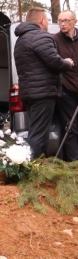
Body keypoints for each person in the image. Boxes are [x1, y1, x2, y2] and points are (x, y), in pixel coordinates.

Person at [15, 7, 73, 159]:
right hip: (42, 92)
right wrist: (67, 63)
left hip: (30, 93)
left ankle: (41, 166)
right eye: (47, 19)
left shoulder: (21, 40)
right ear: (41, 20)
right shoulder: (40, 36)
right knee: (38, 134)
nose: (48, 23)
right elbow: (54, 61)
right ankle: (30, 168)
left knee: (39, 131)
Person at [54, 10, 78, 161]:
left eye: (66, 20)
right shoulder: (54, 40)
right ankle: (73, 167)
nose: (63, 24)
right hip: (67, 92)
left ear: (74, 21)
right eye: (60, 21)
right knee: (71, 129)